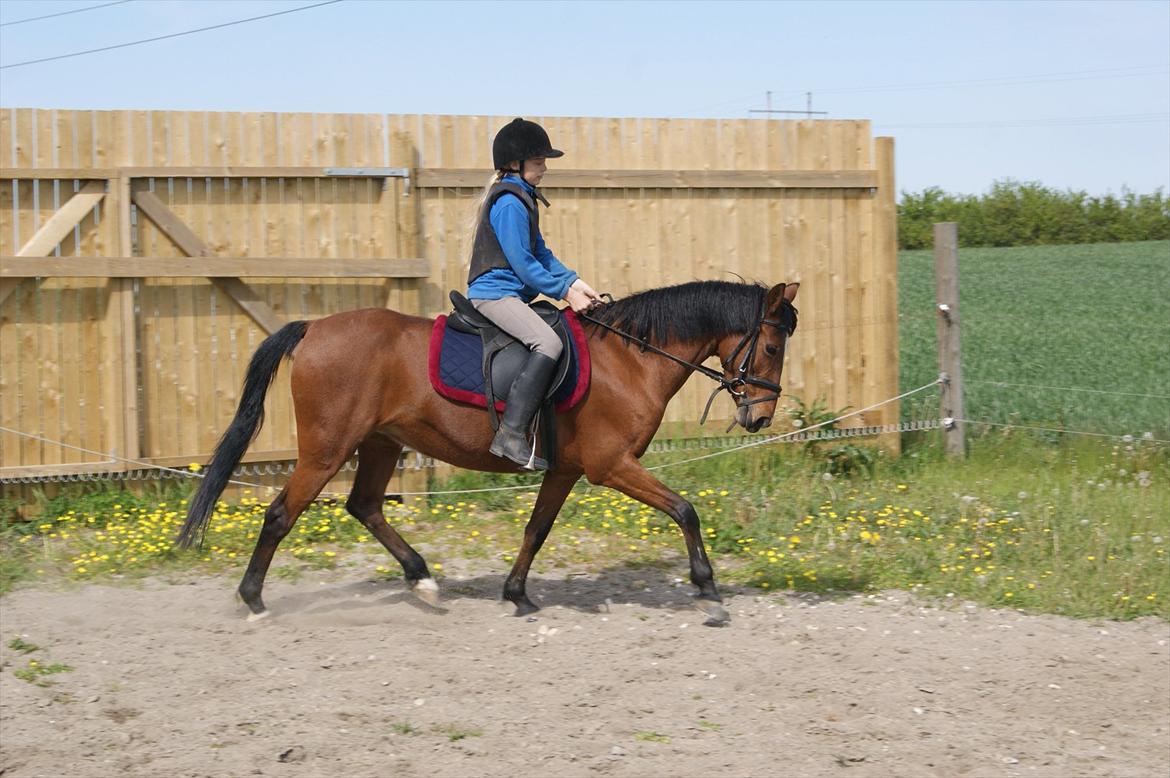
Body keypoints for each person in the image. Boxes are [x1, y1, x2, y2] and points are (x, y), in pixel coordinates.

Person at [466, 117, 603, 470]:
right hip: (494, 295)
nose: (544, 169)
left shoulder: (523, 197)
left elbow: (541, 253)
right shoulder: (510, 203)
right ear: (516, 163)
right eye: (539, 162)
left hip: (512, 294)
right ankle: (510, 434)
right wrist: (564, 293)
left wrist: (575, 282)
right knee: (549, 343)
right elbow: (524, 264)